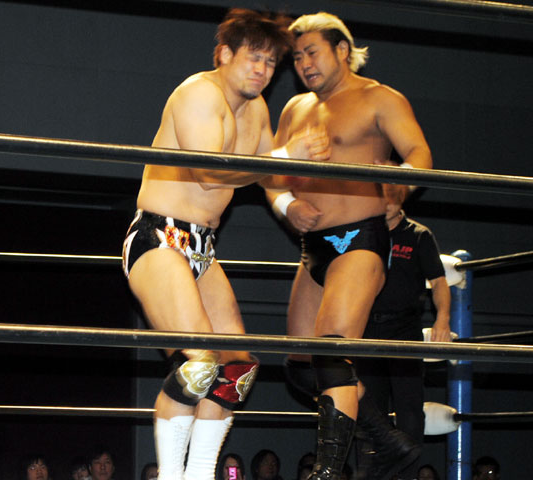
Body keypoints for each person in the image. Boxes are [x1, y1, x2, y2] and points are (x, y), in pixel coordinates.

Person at [122, 8, 330, 480]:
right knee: (200, 365)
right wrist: (285, 157)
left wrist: (295, 192)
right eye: (253, 57)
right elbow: (210, 173)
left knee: (237, 369)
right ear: (224, 54)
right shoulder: (198, 93)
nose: (262, 70)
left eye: (270, 62)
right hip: (160, 237)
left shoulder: (256, 111)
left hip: (202, 246)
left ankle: (200, 473)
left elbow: (268, 173)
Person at [265, 11, 433, 480]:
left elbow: (420, 154)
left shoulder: (379, 98)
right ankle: (387, 439)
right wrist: (286, 206)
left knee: (331, 352)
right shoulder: (294, 109)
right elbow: (269, 174)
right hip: (313, 247)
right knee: (302, 366)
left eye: (312, 52)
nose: (304, 64)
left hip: (359, 239)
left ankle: (327, 472)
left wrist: (399, 184)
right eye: (297, 57)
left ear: (342, 49)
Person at [355, 194, 451, 479]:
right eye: (382, 195)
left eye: (392, 195)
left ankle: (408, 476)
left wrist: (443, 318)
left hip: (404, 331)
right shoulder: (364, 232)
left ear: (401, 198)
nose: (387, 202)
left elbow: (439, 281)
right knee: (369, 410)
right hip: (368, 330)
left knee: (410, 411)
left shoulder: (418, 235)